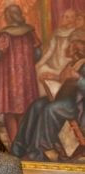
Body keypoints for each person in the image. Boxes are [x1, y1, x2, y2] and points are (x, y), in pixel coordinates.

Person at [12, 32, 85, 161]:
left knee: (50, 109)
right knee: (37, 105)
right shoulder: (76, 62)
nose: (73, 47)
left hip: (78, 104)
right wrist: (54, 77)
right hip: (65, 98)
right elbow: (65, 79)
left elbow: (78, 82)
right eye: (72, 43)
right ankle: (20, 146)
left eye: (77, 44)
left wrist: (78, 78)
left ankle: (39, 151)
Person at [0, 4, 41, 143]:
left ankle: (16, 144)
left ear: (9, 17)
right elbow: (37, 53)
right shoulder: (30, 32)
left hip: (10, 80)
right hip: (26, 79)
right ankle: (22, 144)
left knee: (10, 111)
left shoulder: (6, 35)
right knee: (25, 110)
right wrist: (26, 63)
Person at [36, 9, 77, 96]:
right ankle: (47, 98)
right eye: (66, 17)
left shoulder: (76, 33)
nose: (68, 19)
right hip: (54, 66)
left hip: (66, 67)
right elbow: (50, 51)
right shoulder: (57, 32)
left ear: (74, 19)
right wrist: (39, 64)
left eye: (70, 17)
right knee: (40, 70)